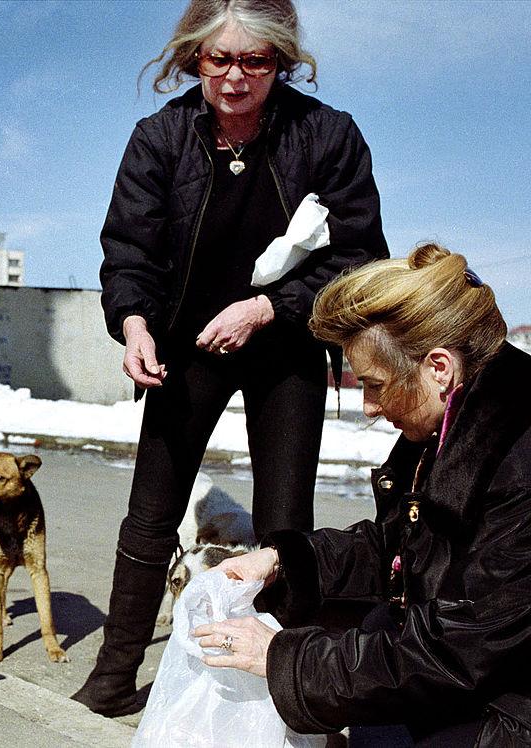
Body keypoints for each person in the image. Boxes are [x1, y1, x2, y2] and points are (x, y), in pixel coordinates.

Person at [73, 0, 388, 717]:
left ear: (282, 62)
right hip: (187, 347)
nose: (236, 77)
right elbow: (129, 251)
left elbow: (360, 256)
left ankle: (281, 684)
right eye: (220, 58)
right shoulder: (159, 139)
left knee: (284, 523)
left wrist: (267, 308)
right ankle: (114, 676)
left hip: (287, 344)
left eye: (256, 61)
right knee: (151, 512)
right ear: (194, 57)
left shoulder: (328, 135)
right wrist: (134, 325)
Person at [193, 244, 531, 745]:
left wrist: (284, 659)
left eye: (375, 384)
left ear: (438, 367)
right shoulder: (445, 419)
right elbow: (396, 547)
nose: (369, 406)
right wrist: (284, 559)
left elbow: (465, 647)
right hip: (463, 663)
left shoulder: (518, 461)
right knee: (364, 630)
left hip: (509, 703)